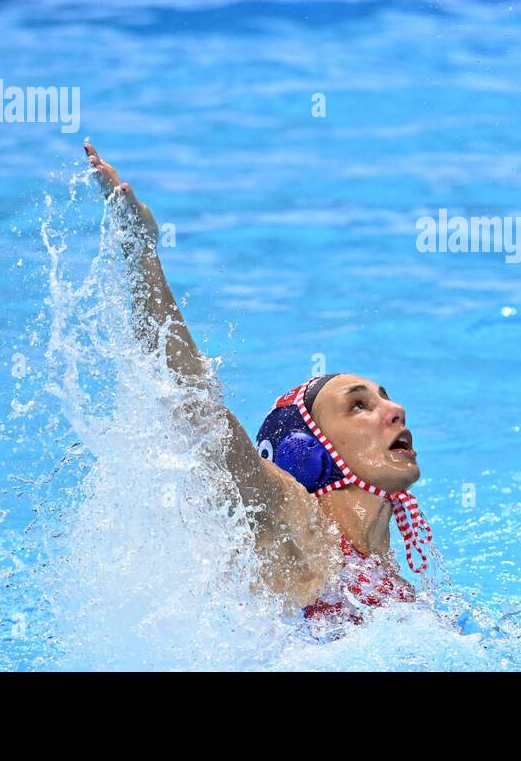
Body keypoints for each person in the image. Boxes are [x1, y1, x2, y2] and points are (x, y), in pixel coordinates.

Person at [83, 142, 432, 620]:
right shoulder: (300, 531)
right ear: (308, 454)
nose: (395, 411)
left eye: (383, 397)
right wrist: (143, 256)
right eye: (359, 406)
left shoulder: (383, 570)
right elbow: (193, 407)